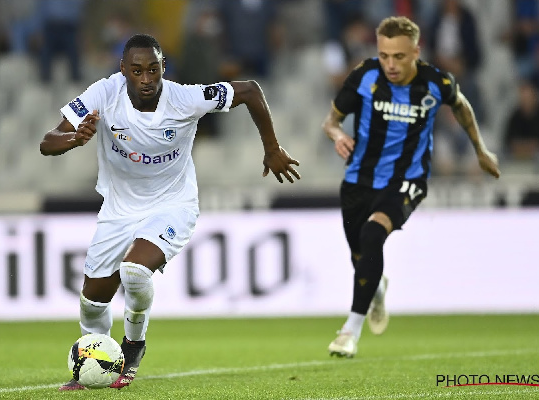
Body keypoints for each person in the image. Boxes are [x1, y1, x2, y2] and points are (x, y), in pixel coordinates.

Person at [40, 34, 300, 390]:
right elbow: (47, 142)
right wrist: (74, 138)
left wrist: (272, 147)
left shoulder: (185, 98)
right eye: (137, 71)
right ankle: (92, 364)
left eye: (153, 69)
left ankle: (133, 347)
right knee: (92, 302)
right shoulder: (103, 93)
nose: (146, 79)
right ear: (123, 70)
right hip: (118, 210)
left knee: (134, 271)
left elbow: (251, 90)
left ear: (164, 68)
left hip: (172, 205)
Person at [321, 16, 500, 358]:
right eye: (385, 55)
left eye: (399, 57)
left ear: (416, 51)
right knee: (361, 258)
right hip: (359, 180)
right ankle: (376, 288)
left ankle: (349, 331)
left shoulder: (436, 82)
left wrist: (480, 149)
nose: (390, 64)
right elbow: (330, 121)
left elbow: (460, 106)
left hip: (408, 179)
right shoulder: (364, 76)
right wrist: (338, 134)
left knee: (373, 235)